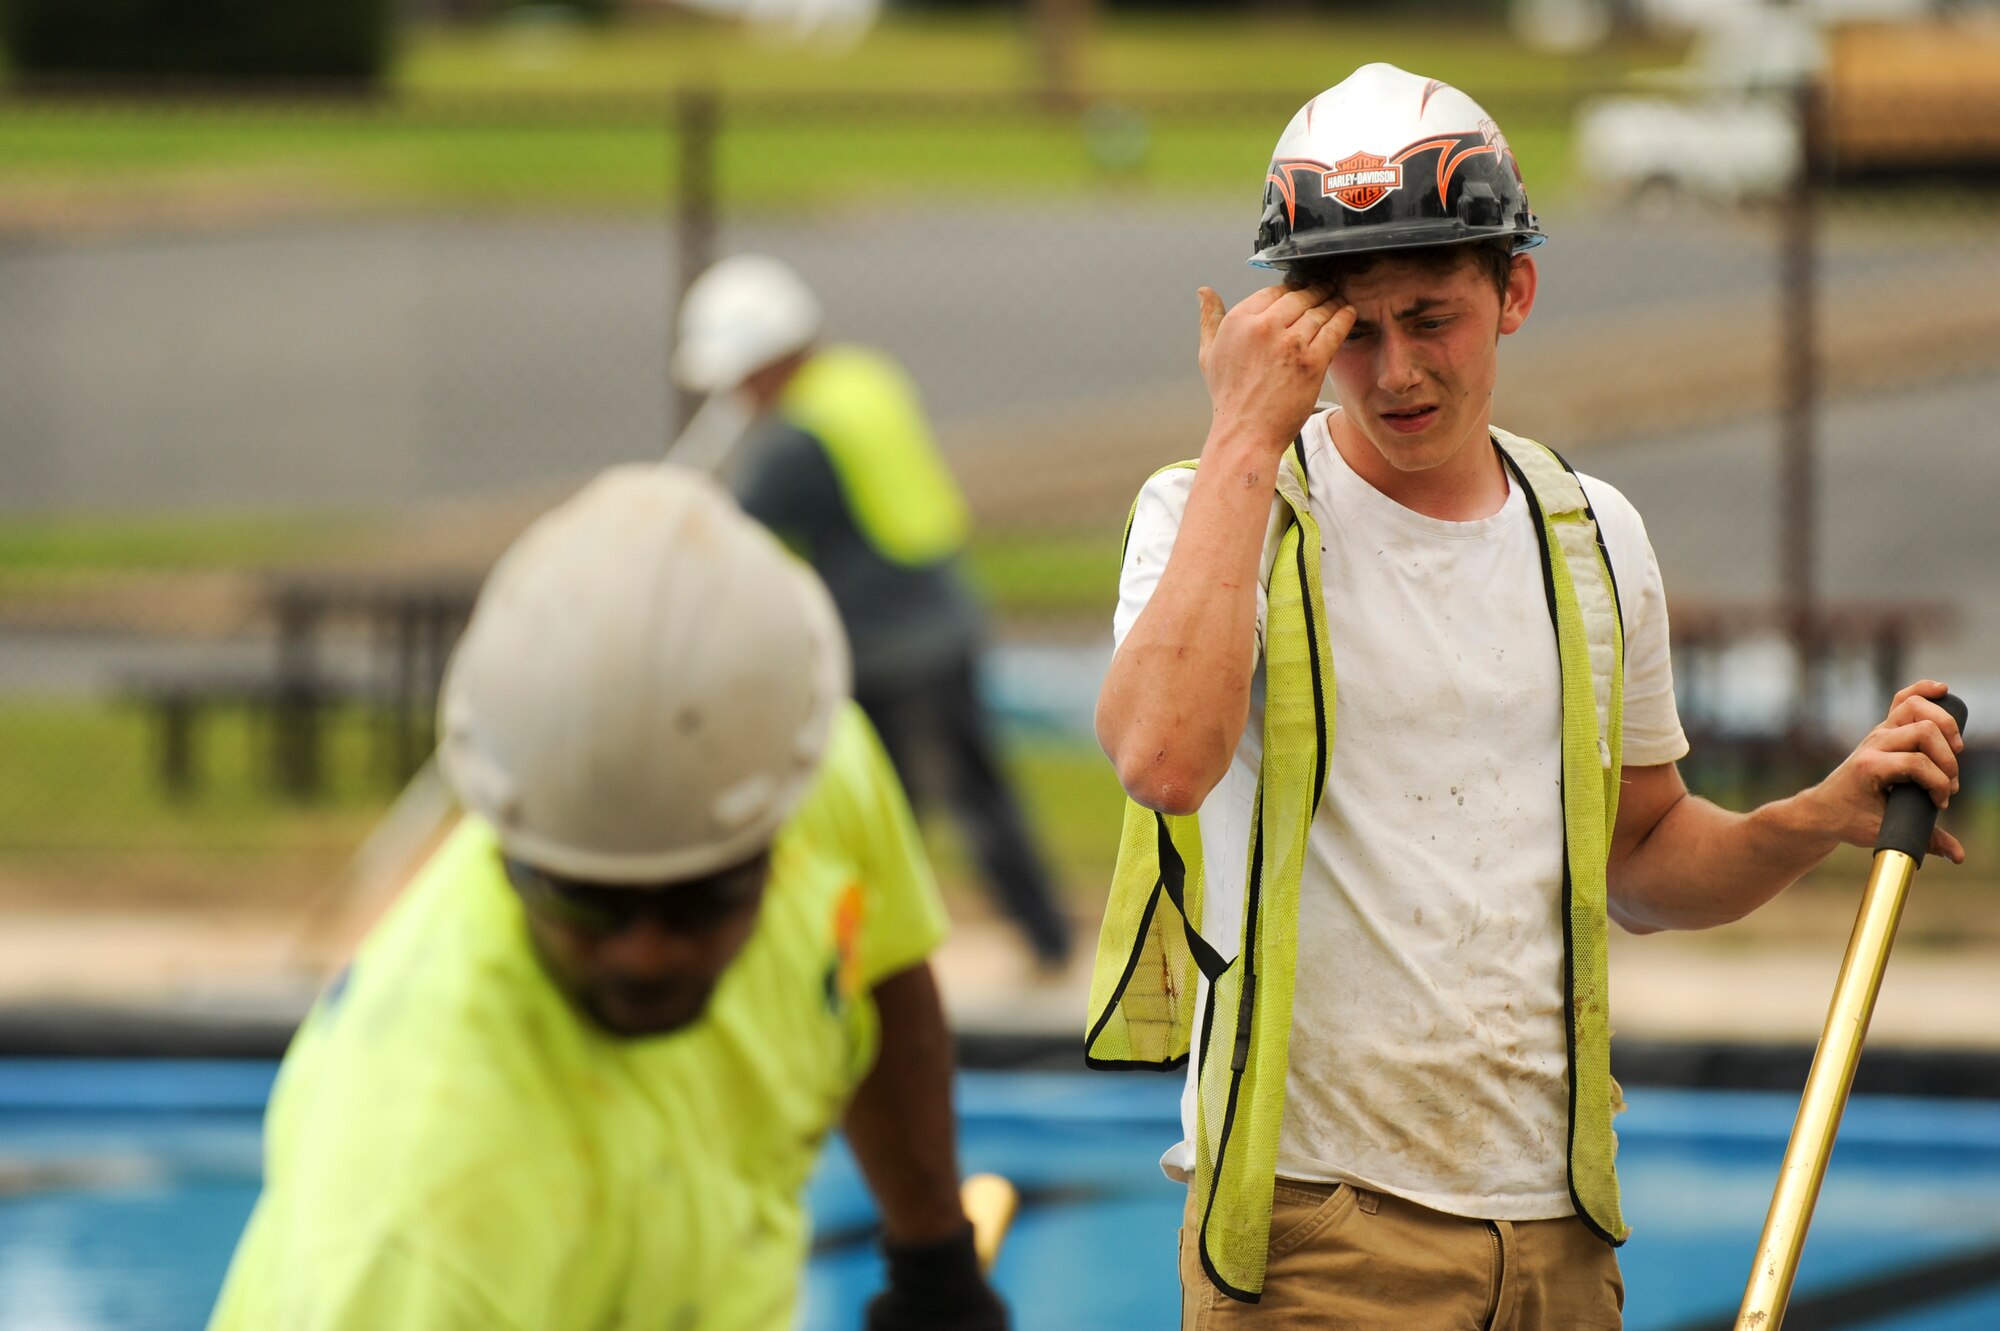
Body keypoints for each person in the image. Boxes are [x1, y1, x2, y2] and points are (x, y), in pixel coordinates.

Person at [1085, 63, 1965, 1329]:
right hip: (1315, 1237)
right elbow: (1162, 761)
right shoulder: (1216, 512)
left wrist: (1812, 816)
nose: (1392, 370)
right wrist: (1239, 437)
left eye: (1429, 316)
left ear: (1514, 291)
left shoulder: (1592, 535)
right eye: (1353, 326)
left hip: (1555, 1239)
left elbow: (1642, 860)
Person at [208, 466, 1009, 1331]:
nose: (647, 949)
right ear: (510, 845)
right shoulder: (423, 1222)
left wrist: (935, 1266)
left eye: (703, 897)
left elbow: (881, 968)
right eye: (591, 901)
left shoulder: (789, 764)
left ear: (772, 832)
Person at [671, 253, 1073, 972]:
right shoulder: (862, 380)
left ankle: (879, 957)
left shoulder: (797, 440)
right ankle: (1040, 938)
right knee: (966, 793)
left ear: (762, 362)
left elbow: (738, 532)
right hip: (945, 614)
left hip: (889, 647)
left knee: (886, 811)